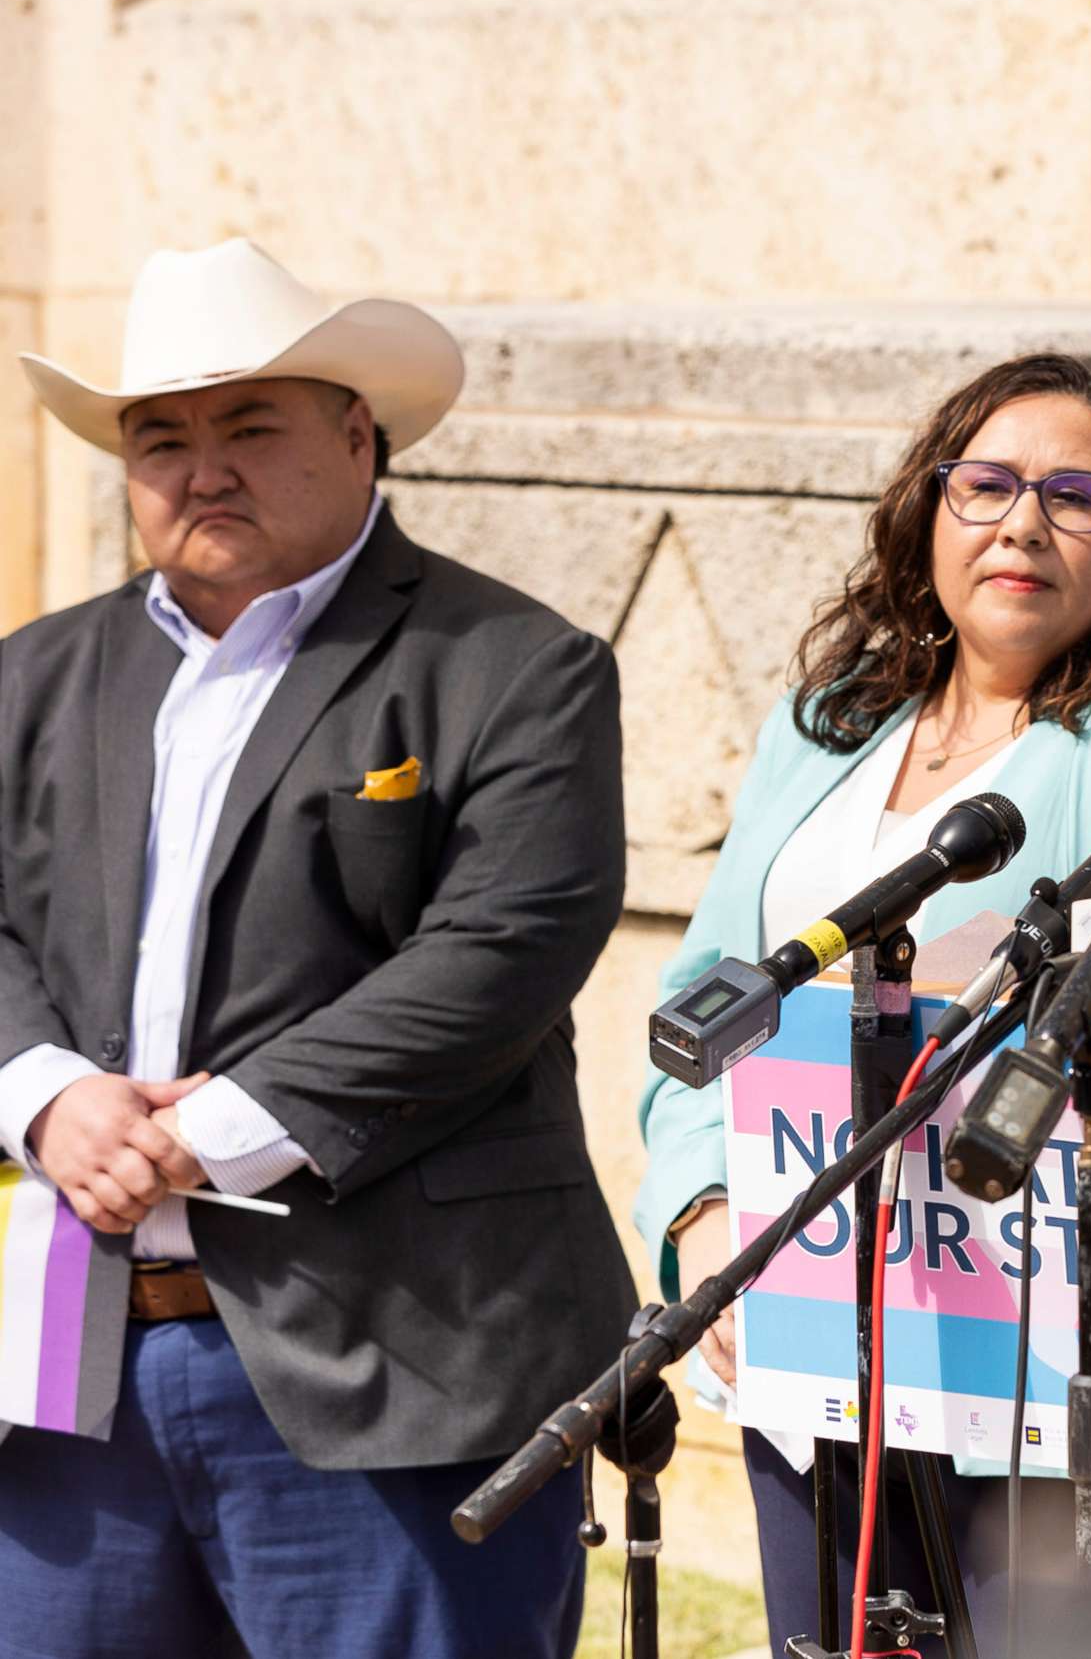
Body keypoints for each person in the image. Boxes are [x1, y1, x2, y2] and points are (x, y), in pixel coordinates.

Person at [0, 239, 636, 1656]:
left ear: (361, 435)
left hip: (401, 1366)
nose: (201, 467)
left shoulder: (515, 665)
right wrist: (45, 1090)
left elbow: (508, 943)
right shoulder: (33, 676)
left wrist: (209, 1129)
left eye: (250, 425)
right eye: (160, 436)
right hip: (68, 1383)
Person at [633, 353, 1091, 1654]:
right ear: (931, 507)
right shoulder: (826, 723)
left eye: (1077, 493)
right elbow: (700, 1002)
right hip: (806, 1350)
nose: (1024, 523)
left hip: (1011, 1372)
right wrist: (703, 1216)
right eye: (991, 484)